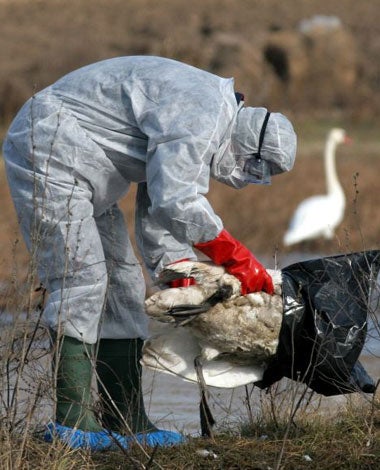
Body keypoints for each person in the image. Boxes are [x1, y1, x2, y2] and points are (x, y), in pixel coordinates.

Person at [2, 55, 297, 451]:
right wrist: (236, 258)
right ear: (249, 144)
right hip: (49, 151)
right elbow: (176, 200)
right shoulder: (203, 113)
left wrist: (183, 280)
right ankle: (71, 424)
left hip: (87, 168)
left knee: (123, 286)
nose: (245, 173)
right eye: (253, 165)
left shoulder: (208, 118)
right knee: (81, 279)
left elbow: (159, 210)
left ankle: (125, 419)